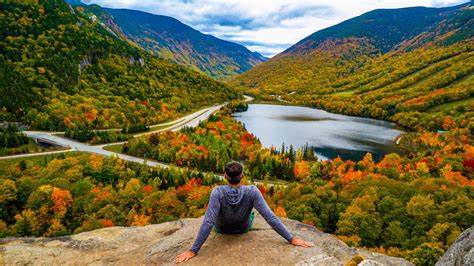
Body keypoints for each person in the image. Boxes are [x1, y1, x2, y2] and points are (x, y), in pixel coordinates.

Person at [175, 161, 314, 263]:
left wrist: (193, 250)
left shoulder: (217, 192)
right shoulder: (252, 191)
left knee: (212, 214)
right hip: (243, 228)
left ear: (225, 176)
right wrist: (291, 238)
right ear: (242, 176)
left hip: (221, 229)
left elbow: (208, 221)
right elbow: (270, 217)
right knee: (254, 213)